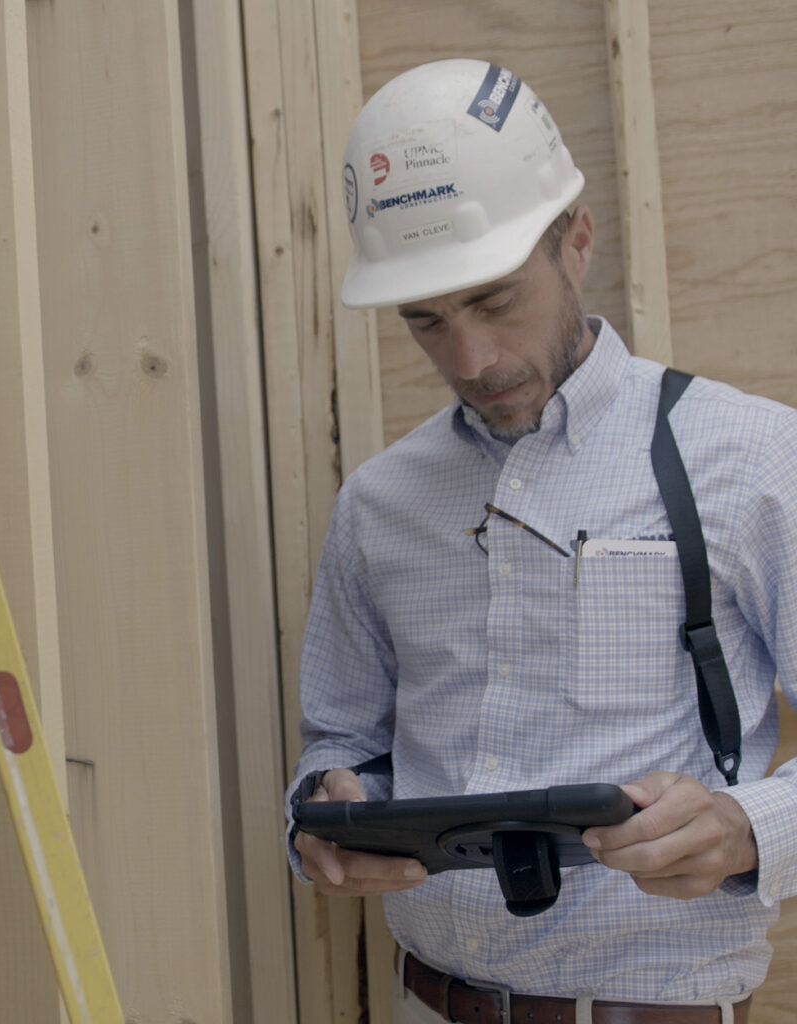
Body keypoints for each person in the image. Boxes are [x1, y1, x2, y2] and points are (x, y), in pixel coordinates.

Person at [286, 59, 797, 1024]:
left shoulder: (750, 457)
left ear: (578, 239)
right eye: (426, 321)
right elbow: (343, 740)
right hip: (427, 1006)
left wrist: (746, 826)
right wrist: (325, 809)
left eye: (494, 300)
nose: (471, 360)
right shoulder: (380, 504)